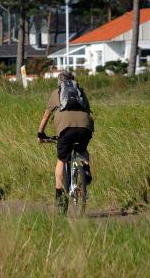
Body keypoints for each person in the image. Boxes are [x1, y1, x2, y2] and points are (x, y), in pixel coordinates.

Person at [37, 71, 94, 210]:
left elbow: (46, 116)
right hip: (85, 127)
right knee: (82, 150)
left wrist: (40, 133)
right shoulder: (80, 91)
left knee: (61, 160)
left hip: (66, 130)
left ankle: (60, 196)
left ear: (59, 82)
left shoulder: (56, 92)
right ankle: (85, 170)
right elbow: (88, 110)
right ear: (73, 80)